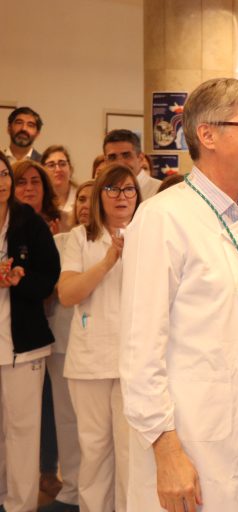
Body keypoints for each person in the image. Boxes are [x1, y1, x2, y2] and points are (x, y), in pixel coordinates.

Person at [120, 77, 238, 511]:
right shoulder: (164, 217)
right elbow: (141, 352)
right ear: (208, 134)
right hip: (192, 443)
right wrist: (166, 450)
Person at [58, 165, 142, 512]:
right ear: (99, 196)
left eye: (128, 190)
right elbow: (67, 294)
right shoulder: (81, 237)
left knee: (130, 452)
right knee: (93, 450)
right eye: (113, 190)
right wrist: (108, 261)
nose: (122, 197)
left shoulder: (148, 235)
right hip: (90, 360)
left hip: (134, 360)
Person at [0, 151, 60, 512]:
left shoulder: (29, 223)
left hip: (24, 346)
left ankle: (19, 506)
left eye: (4, 174)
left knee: (23, 431)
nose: (2, 182)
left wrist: (20, 279)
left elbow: (49, 277)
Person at [40, 180, 94, 512]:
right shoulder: (60, 242)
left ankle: (99, 493)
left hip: (101, 347)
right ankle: (72, 489)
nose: (86, 205)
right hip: (63, 342)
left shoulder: (118, 241)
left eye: (92, 198)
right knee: (67, 419)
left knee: (98, 427)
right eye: (81, 199)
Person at [103, 130, 162, 199]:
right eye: (112, 157)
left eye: (126, 156)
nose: (120, 163)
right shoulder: (101, 190)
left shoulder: (160, 190)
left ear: (140, 158)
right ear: (105, 161)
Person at [12, 159, 65, 234]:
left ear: (45, 187)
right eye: (21, 183)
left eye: (35, 182)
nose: (29, 188)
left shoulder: (64, 221)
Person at [42, 145, 78, 216]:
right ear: (43, 171)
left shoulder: (81, 196)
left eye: (62, 164)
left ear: (70, 169)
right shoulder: (39, 200)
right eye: (51, 165)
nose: (58, 169)